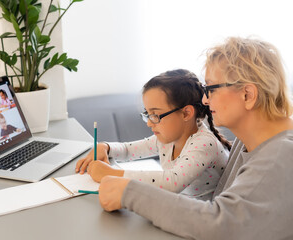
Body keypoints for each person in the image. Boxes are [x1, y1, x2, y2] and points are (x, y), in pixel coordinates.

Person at [97, 37, 293, 239]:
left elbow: (220, 224)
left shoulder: (281, 156)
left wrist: (130, 192)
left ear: (248, 95)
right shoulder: (252, 140)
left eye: (211, 89)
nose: (205, 100)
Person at [76, 69, 231, 200]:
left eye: (155, 115)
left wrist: (111, 173)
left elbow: (172, 183)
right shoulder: (167, 139)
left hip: (205, 220)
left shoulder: (204, 143)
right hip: (182, 208)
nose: (149, 123)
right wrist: (105, 147)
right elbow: (128, 150)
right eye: (147, 114)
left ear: (186, 113)